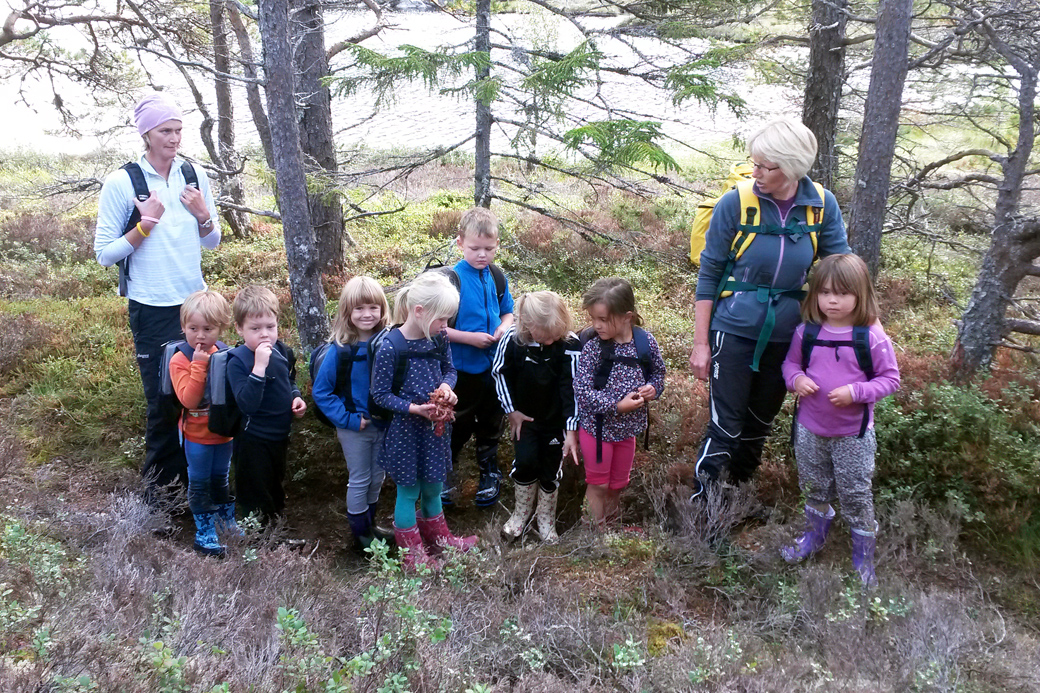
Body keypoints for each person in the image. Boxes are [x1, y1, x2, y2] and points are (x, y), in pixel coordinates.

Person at [688, 118, 850, 499]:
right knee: (725, 426)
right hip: (732, 331)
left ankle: (737, 498)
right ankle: (704, 514)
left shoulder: (821, 206)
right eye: (754, 162)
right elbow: (709, 275)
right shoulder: (736, 203)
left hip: (787, 337)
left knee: (759, 424)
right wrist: (700, 343)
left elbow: (841, 273)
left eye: (765, 166)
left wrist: (852, 338)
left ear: (792, 167)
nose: (755, 172)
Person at [94, 92, 221, 505]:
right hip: (150, 307)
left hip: (195, 305)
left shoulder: (192, 173)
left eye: (178, 130)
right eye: (166, 131)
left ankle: (203, 490)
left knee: (202, 396)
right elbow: (104, 253)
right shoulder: (123, 182)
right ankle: (163, 500)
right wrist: (145, 225)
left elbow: (214, 242)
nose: (174, 138)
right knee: (163, 404)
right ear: (146, 134)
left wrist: (203, 214)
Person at [780, 254, 900, 587]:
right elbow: (790, 366)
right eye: (826, 292)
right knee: (814, 486)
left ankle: (863, 559)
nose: (833, 300)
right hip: (809, 430)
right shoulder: (806, 332)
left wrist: (857, 392)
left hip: (853, 435)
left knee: (856, 495)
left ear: (861, 294)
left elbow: (890, 379)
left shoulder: (870, 337)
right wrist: (797, 380)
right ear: (815, 294)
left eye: (844, 293)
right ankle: (814, 538)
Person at [371, 272, 477, 571]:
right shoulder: (391, 346)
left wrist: (446, 387)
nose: (446, 327)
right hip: (406, 431)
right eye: (442, 320)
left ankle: (440, 543)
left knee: (433, 486)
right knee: (408, 492)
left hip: (436, 430)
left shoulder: (439, 338)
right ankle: (412, 556)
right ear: (419, 312)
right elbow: (379, 395)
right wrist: (414, 409)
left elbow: (450, 370)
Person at [574, 278, 666, 528]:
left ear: (627, 317)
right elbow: (581, 391)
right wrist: (616, 407)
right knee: (599, 484)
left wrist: (653, 388)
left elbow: (658, 373)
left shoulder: (645, 343)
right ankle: (594, 531)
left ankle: (612, 529)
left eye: (603, 320)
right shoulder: (594, 348)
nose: (596, 325)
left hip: (628, 432)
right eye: (594, 318)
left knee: (617, 484)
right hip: (598, 431)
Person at [312, 276, 395, 554]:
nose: (367, 314)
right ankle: (360, 534)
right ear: (347, 312)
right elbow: (322, 393)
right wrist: (349, 420)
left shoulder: (389, 344)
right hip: (354, 427)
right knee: (360, 477)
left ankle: (371, 525)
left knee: (378, 475)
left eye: (373, 307)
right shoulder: (340, 350)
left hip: (382, 424)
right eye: (359, 308)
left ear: (383, 309)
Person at [492, 291, 582, 543]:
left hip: (556, 421)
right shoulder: (513, 339)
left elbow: (573, 388)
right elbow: (499, 374)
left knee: (551, 468)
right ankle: (520, 514)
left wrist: (571, 429)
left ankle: (545, 520)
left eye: (557, 334)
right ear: (527, 324)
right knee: (525, 461)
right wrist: (511, 412)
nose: (552, 339)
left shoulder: (570, 344)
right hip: (524, 418)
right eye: (547, 334)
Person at [444, 207, 515, 508]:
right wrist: (470, 339)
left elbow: (509, 313)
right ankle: (446, 472)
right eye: (475, 248)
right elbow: (438, 329)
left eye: (489, 248)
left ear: (497, 245)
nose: (482, 254)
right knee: (456, 423)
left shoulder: (497, 277)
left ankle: (489, 470)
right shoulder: (451, 280)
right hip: (461, 370)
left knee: (491, 420)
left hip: (494, 369)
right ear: (460, 243)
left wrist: (503, 327)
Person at [226, 286, 307, 523]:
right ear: (239, 329)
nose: (264, 334)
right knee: (255, 492)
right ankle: (259, 543)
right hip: (253, 440)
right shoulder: (238, 361)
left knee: (275, 485)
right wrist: (258, 367)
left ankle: (277, 535)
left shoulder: (282, 351)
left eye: (270, 327)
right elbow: (246, 404)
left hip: (279, 436)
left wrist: (296, 396)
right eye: (255, 328)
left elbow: (288, 380)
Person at [169, 290, 240, 556]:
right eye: (193, 328)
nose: (200, 335)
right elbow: (188, 400)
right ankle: (204, 531)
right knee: (199, 482)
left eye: (208, 328)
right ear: (183, 327)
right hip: (196, 435)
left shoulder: (225, 353)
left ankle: (225, 521)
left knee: (220, 478)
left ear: (220, 327)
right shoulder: (180, 359)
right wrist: (199, 366)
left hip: (224, 433)